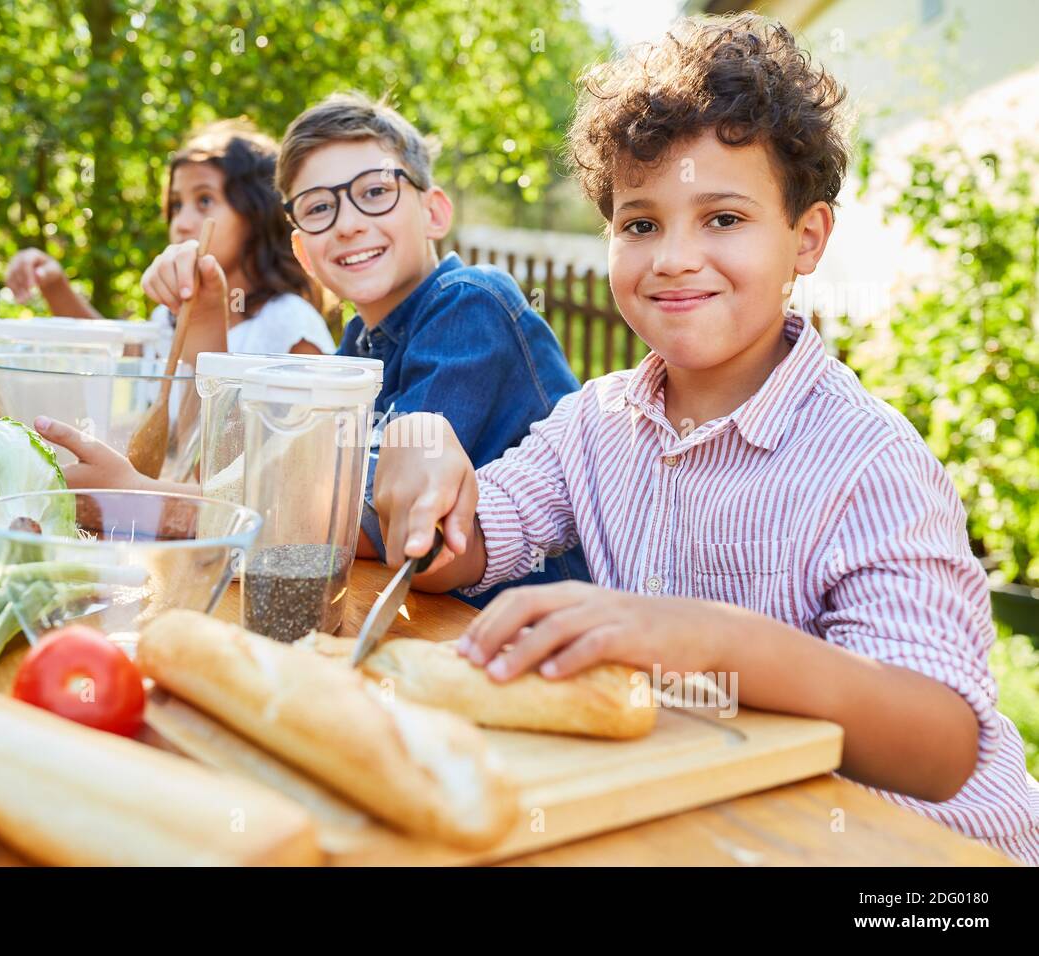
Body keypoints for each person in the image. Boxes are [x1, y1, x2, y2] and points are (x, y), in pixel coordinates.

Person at [368, 14, 1039, 864]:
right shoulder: (593, 424)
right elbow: (463, 547)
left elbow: (939, 749)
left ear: (808, 238)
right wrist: (426, 451)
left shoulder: (870, 464)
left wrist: (708, 639)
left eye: (722, 218)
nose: (675, 257)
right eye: (640, 224)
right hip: (721, 828)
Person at [273, 91, 592, 606]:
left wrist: (199, 507)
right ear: (302, 253)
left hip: (531, 634)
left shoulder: (469, 304)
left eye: (375, 191)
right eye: (318, 208)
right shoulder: (358, 346)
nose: (349, 222)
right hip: (432, 621)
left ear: (434, 212)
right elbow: (291, 469)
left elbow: (368, 523)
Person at [5, 119, 335, 359]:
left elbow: (303, 448)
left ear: (257, 214)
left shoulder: (289, 324)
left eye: (204, 201)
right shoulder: (170, 318)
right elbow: (115, 356)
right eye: (177, 205)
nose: (182, 223)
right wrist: (55, 286)